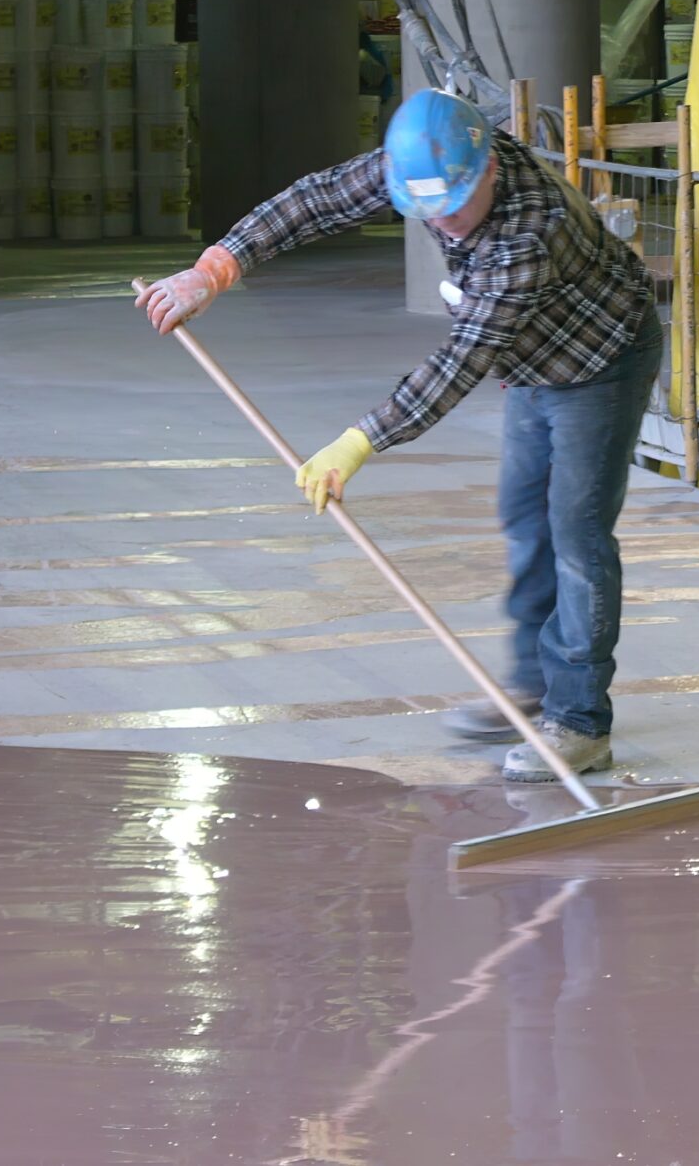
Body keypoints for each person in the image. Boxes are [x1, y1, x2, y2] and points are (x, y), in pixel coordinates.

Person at [140, 89, 662, 782]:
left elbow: (459, 363)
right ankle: (534, 685)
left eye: (451, 206)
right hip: (532, 360)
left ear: (488, 174)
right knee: (523, 515)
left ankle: (579, 722)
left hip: (599, 358)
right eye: (425, 210)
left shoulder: (526, 233)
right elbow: (318, 198)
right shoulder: (425, 167)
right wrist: (216, 268)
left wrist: (357, 443)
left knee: (575, 532)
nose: (441, 222)